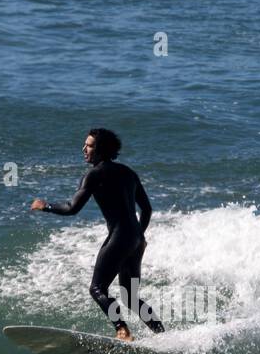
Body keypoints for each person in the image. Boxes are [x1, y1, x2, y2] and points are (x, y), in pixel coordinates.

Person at [32, 129, 166, 342]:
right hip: (136, 239)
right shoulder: (129, 173)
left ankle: (122, 330)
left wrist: (45, 206)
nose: (84, 149)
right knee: (130, 297)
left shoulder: (94, 175)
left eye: (90, 145)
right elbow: (147, 209)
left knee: (97, 288)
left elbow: (71, 208)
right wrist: (140, 235)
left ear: (101, 149)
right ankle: (161, 334)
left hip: (120, 238)